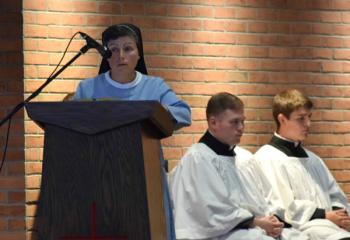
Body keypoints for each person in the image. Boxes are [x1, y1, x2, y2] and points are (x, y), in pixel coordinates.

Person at [73, 23, 192, 240]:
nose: (121, 55)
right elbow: (71, 126)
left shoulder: (154, 87)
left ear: (139, 54)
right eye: (113, 49)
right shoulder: (87, 89)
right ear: (105, 55)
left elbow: (184, 113)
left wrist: (151, 111)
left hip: (145, 177)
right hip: (99, 177)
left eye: (128, 48)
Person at [169, 92, 308, 240]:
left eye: (242, 121)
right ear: (213, 122)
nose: (241, 127)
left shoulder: (242, 158)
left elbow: (260, 200)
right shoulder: (198, 158)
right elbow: (211, 215)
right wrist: (256, 222)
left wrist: (270, 221)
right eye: (234, 122)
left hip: (245, 228)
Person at [254, 89, 350, 240]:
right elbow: (281, 207)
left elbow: (335, 195)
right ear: (282, 119)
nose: (308, 124)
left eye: (309, 117)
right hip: (297, 232)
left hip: (332, 227)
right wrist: (324, 215)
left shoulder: (313, 159)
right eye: (301, 119)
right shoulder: (266, 158)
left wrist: (340, 215)